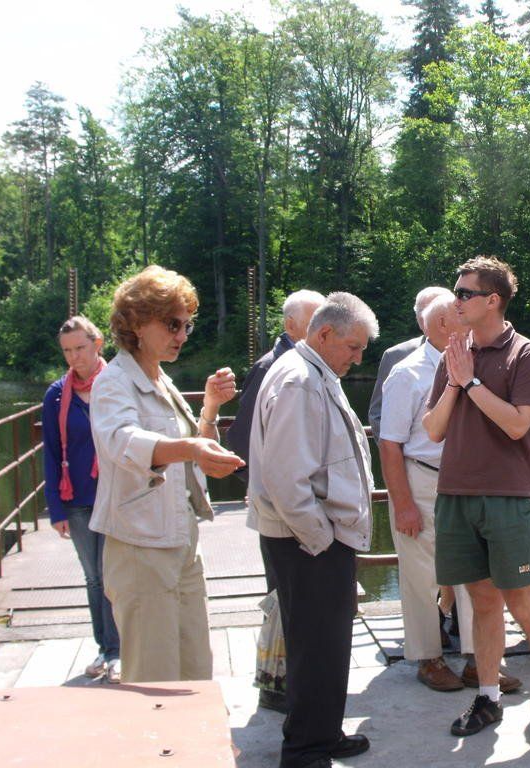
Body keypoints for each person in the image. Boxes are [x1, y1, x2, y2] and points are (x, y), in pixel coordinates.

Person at [423, 256, 530, 748]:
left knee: (525, 604)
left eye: (464, 293)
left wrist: (471, 383)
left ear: (492, 300)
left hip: (508, 498)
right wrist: (456, 381)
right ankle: (488, 696)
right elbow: (433, 429)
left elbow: (517, 425)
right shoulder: (455, 354)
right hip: (456, 495)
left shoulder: (526, 354)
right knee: (482, 601)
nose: (456, 300)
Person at [90, 266, 243, 683]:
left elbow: (192, 447)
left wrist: (210, 407)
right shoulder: (114, 381)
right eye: (172, 324)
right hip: (140, 546)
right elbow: (122, 441)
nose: (182, 335)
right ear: (137, 323)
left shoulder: (160, 378)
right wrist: (190, 448)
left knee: (195, 672)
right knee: (154, 679)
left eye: (187, 325)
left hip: (180, 539)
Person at [249, 292, 378, 768]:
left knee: (325, 645)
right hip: (307, 540)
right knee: (315, 646)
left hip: (313, 537)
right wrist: (321, 540)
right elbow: (286, 478)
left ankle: (321, 734)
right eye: (353, 347)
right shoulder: (300, 380)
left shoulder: (312, 371)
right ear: (324, 334)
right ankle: (305, 751)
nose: (357, 358)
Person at [380, 292, 484, 691]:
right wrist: (403, 504)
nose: (469, 320)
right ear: (442, 324)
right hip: (422, 480)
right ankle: (429, 659)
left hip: (467, 481)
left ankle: (478, 659)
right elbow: (389, 444)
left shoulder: (474, 362)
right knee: (421, 576)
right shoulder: (406, 374)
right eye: (461, 315)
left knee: (475, 571)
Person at [228, 288, 323, 714]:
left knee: (294, 602)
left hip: (299, 507)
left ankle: (291, 685)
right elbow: (243, 441)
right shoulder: (273, 367)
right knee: (281, 599)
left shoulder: (307, 364)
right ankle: (275, 687)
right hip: (281, 512)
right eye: (315, 319)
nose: (324, 326)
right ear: (290, 325)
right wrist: (265, 493)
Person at [42, 315, 120, 682]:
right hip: (76, 499)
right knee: (94, 578)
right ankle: (106, 648)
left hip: (115, 494)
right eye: (67, 351)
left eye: (80, 348)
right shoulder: (57, 394)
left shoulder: (116, 384)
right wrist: (55, 509)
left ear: (98, 344)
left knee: (113, 574)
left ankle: (119, 650)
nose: (74, 357)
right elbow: (51, 453)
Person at [227, 289, 324, 485]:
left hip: (310, 489)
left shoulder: (318, 366)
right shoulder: (268, 368)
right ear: (290, 325)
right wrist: (262, 488)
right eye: (314, 326)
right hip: (282, 493)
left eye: (327, 327)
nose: (323, 335)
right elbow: (243, 437)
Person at [368, 286, 451, 441]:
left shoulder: (474, 353)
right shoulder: (396, 356)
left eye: (436, 308)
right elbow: (377, 414)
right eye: (423, 311)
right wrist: (393, 451)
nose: (428, 315)